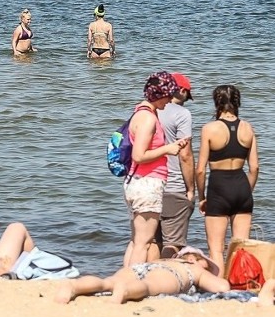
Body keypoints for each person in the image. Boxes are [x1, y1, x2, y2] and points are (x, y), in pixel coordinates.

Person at [123, 71, 189, 267]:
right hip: (147, 183)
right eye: (168, 95)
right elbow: (138, 155)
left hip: (137, 182)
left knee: (137, 242)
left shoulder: (140, 113)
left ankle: (124, 278)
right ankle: (131, 281)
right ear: (159, 94)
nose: (169, 101)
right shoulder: (148, 119)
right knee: (144, 242)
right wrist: (168, 149)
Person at [195, 84, 259, 275]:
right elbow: (254, 167)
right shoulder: (248, 128)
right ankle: (242, 284)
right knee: (241, 246)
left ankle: (221, 287)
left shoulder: (209, 129)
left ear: (217, 102)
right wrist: (247, 190)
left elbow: (200, 170)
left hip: (219, 187)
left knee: (216, 248)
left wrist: (201, 197)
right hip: (242, 186)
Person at [54, 246, 229, 304]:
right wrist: (202, 278)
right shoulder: (192, 268)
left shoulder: (163, 259)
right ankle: (125, 291)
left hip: (141, 266)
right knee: (148, 286)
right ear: (191, 258)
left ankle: (74, 286)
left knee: (108, 282)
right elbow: (222, 287)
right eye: (204, 265)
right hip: (169, 275)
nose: (205, 270)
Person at [156, 73, 196, 258]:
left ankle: (141, 281)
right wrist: (191, 189)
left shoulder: (148, 110)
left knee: (149, 242)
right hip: (174, 185)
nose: (187, 100)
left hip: (148, 183)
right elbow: (185, 155)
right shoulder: (182, 114)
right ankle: (165, 282)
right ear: (181, 90)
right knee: (173, 244)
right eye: (188, 95)